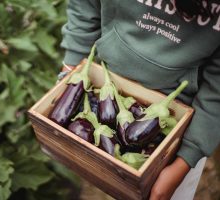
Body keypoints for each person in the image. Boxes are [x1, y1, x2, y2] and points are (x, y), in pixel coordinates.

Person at [59, 0, 220, 199]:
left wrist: (184, 160)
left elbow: (217, 91)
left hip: (178, 133)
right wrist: (70, 74)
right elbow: (86, 6)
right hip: (103, 94)